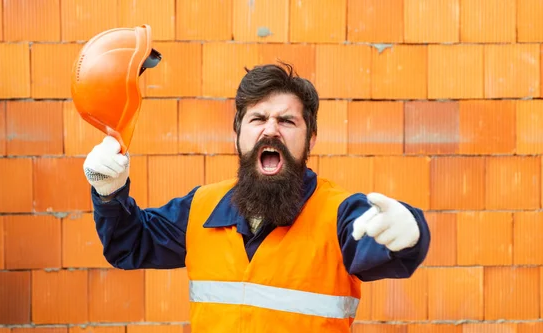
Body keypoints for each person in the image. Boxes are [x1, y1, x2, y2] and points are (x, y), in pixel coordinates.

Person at [83, 62, 430, 333]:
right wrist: (109, 192)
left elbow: (380, 241)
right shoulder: (202, 208)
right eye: (258, 118)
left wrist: (410, 231)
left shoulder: (339, 215)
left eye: (287, 121)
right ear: (237, 135)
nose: (271, 129)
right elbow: (129, 243)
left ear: (310, 141)